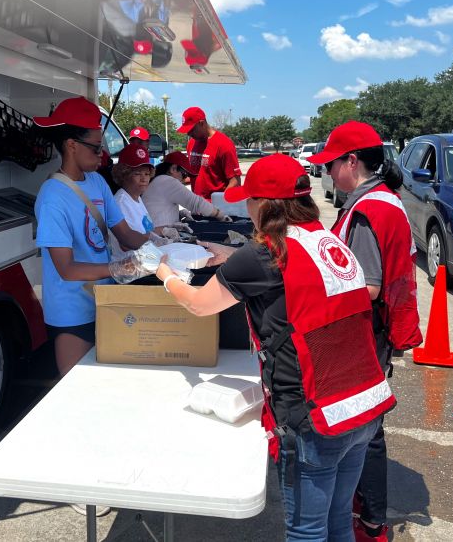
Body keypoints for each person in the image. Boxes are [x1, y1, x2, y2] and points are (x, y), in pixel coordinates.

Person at [155, 154, 395, 541]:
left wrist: (164, 273)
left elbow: (199, 304)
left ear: (265, 204)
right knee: (337, 523)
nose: (246, 208)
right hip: (363, 403)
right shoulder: (325, 238)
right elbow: (286, 274)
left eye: (249, 200)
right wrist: (232, 258)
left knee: (306, 532)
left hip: (315, 416)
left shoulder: (264, 251)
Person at [308, 121, 422, 542]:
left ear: (351, 161)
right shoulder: (382, 200)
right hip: (380, 327)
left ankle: (372, 519)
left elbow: (366, 284)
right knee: (367, 425)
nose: (327, 173)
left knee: (365, 428)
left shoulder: (369, 209)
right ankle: (368, 511)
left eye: (331, 164)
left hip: (366, 329)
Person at [33, 97, 149, 378]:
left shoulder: (97, 182)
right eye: (97, 148)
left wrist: (160, 242)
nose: (103, 155)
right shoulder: (52, 197)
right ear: (72, 145)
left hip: (104, 301)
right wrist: (115, 268)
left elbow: (126, 236)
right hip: (71, 311)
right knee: (77, 388)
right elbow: (67, 269)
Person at [144, 151, 232, 227]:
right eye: (184, 174)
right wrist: (220, 215)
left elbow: (159, 209)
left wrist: (178, 214)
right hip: (158, 236)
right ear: (173, 169)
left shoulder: (158, 180)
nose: (184, 179)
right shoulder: (167, 181)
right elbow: (196, 203)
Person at [178, 106, 242, 200]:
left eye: (191, 130)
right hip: (197, 207)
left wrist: (221, 204)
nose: (189, 134)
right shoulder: (191, 144)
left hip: (216, 210)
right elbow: (199, 175)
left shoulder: (224, 144)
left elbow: (235, 181)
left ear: (202, 123)